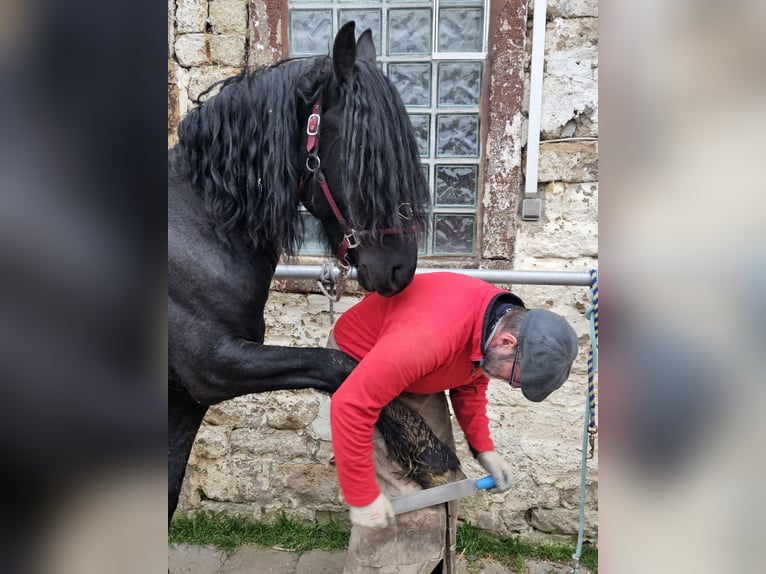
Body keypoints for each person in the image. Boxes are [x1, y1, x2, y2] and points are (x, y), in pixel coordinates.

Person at [328, 272, 579, 574]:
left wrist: (485, 449)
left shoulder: (495, 326)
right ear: (507, 342)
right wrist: (362, 496)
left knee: (442, 481)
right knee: (405, 499)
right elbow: (351, 406)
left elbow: (472, 379)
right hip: (360, 363)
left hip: (416, 370)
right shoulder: (430, 337)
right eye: (514, 378)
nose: (509, 383)